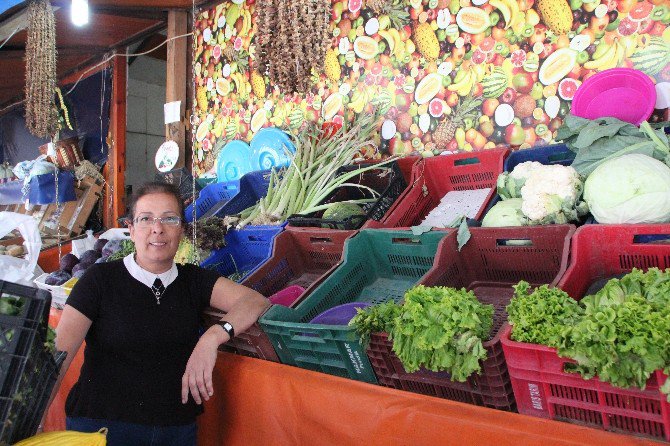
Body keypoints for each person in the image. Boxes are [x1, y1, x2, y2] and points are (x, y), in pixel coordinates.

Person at [51, 182, 270, 446]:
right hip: (102, 428)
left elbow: (254, 301)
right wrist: (27, 417)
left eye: (169, 218)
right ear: (130, 230)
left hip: (174, 430)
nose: (158, 228)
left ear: (181, 229)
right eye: (145, 219)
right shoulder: (100, 280)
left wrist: (212, 337)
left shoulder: (193, 281)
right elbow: (58, 359)